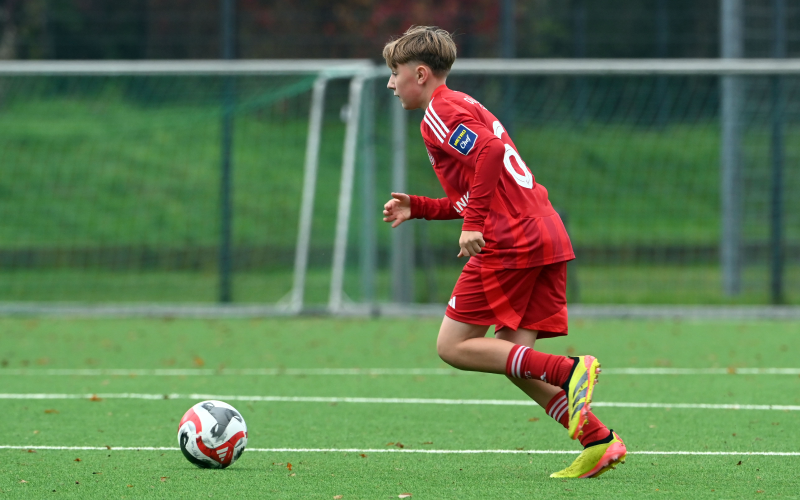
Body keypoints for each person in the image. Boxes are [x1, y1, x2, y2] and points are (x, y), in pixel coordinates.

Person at [381, 26, 626, 479]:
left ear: (419, 72)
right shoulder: (463, 104)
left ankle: (569, 370)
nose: (391, 84)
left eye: (394, 73)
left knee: (453, 346)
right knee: (514, 358)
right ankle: (598, 439)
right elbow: (473, 190)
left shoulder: (438, 111)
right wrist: (418, 207)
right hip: (545, 230)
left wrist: (473, 226)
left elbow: (491, 153)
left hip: (512, 239)